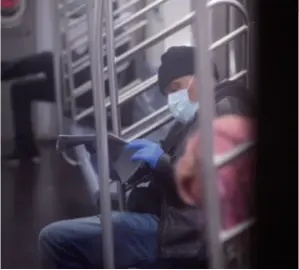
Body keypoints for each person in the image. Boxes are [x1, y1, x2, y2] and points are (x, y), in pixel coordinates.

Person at [38, 46, 253, 268]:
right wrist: (122, 157)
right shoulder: (193, 120)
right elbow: (172, 161)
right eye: (168, 93)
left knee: (55, 239)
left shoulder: (225, 108)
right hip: (175, 222)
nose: (173, 99)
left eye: (176, 88)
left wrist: (161, 162)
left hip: (188, 236)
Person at [1, 44, 135, 166]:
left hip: (89, 91)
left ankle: (3, 70)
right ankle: (25, 147)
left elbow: (106, 77)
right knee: (20, 90)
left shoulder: (121, 43)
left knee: (48, 59)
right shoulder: (111, 39)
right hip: (82, 86)